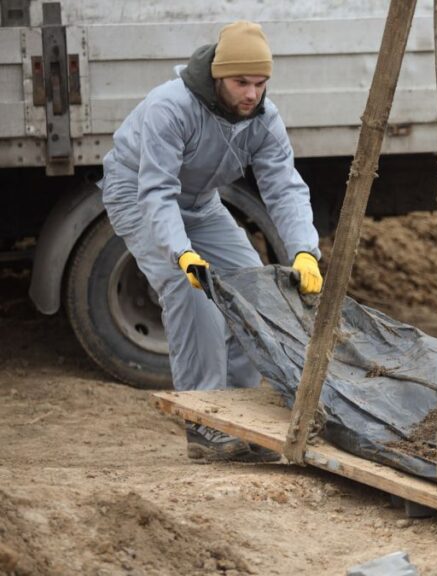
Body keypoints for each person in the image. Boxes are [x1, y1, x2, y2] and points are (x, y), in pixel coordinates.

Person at [101, 21, 324, 463]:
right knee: (190, 290)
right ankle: (204, 420)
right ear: (219, 76)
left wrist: (304, 249)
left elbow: (284, 187)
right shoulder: (171, 106)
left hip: (201, 203)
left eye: (260, 83)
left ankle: (237, 415)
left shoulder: (263, 119)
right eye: (242, 82)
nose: (252, 94)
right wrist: (181, 253)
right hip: (139, 195)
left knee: (251, 288)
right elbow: (157, 192)